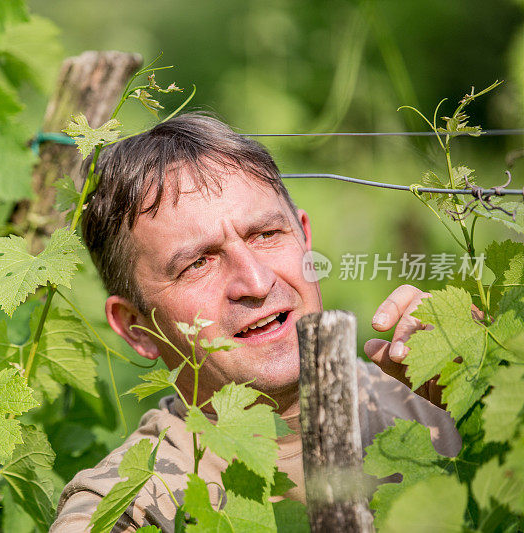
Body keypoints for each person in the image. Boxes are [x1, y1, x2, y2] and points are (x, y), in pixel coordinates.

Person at [50, 113, 460, 532]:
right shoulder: (126, 508)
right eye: (198, 263)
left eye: (266, 234)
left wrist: (484, 387)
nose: (257, 282)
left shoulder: (437, 399)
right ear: (137, 327)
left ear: (304, 238)